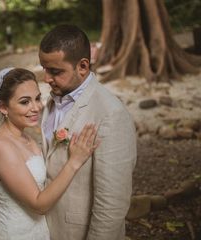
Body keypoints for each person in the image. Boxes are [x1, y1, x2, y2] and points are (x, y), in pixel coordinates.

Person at [0, 67, 99, 240]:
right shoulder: (1, 148)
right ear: (3, 108)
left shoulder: (26, 137)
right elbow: (39, 205)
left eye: (37, 98)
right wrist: (74, 161)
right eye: (25, 102)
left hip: (38, 231)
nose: (36, 107)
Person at [39, 24, 137, 240]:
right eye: (44, 69)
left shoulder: (111, 114)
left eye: (55, 71)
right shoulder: (50, 101)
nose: (46, 78)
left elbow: (112, 204)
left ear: (82, 66)